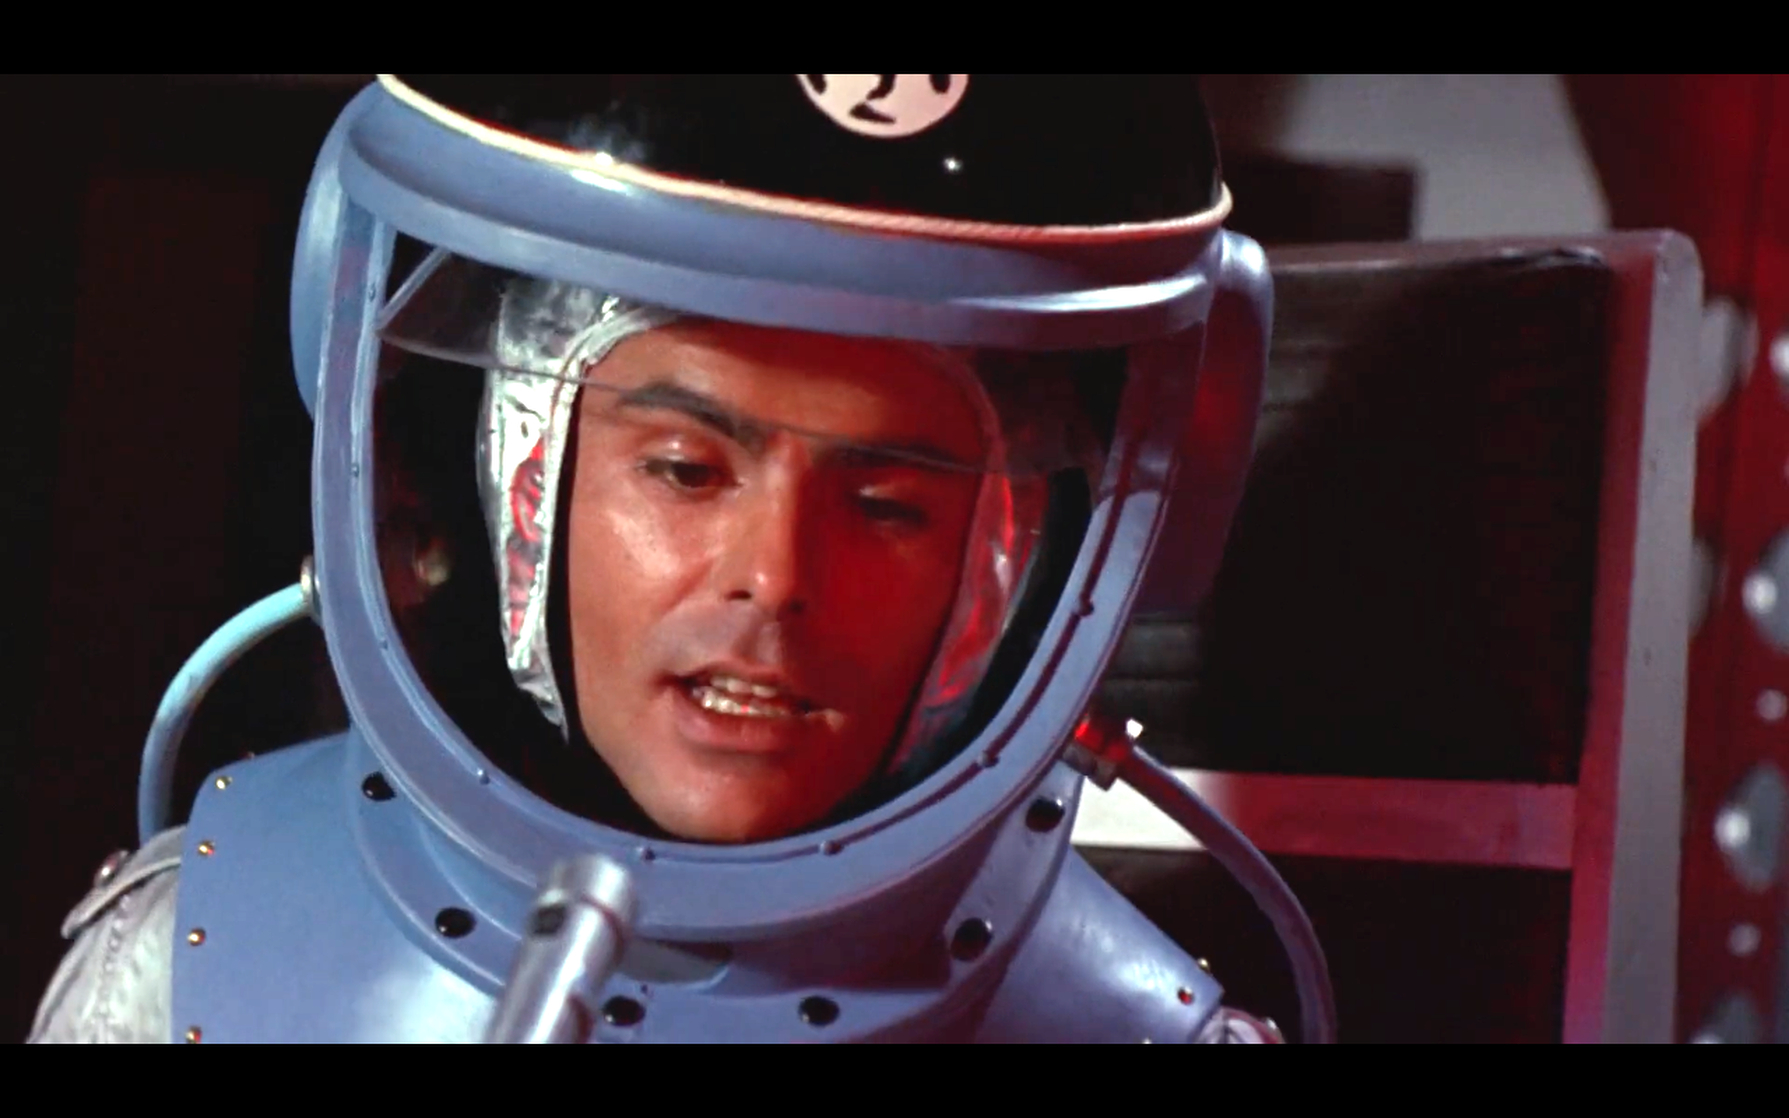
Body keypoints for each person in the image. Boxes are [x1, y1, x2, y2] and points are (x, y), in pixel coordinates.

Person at [30, 74, 1326, 1043]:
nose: (775, 576)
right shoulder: (176, 972)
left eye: (886, 502)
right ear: (523, 476)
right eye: (685, 470)